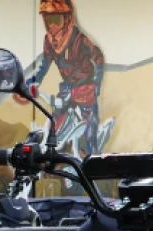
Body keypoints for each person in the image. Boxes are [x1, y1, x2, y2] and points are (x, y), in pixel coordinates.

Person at [26, 0, 106, 157]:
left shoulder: (79, 39)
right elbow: (45, 64)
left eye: (56, 19)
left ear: (67, 18)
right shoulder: (49, 41)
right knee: (54, 122)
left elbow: (99, 58)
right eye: (48, 19)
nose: (52, 25)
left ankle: (93, 158)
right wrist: (34, 81)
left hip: (85, 86)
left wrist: (96, 83)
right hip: (67, 87)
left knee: (89, 125)